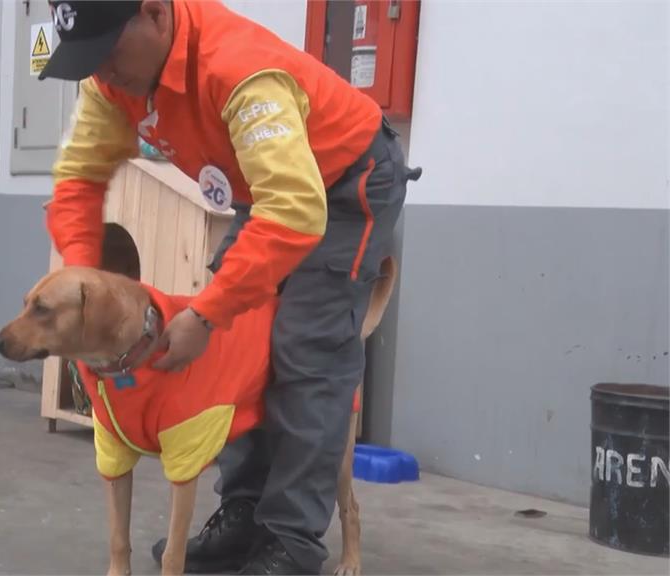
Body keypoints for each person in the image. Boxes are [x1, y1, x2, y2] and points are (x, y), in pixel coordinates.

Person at [38, 1, 421, 574]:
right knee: (237, 350)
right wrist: (77, 279)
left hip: (348, 181)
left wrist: (209, 312)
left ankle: (289, 541)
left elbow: (294, 211)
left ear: (153, 14)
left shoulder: (236, 69)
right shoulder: (110, 84)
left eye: (110, 50)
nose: (102, 73)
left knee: (304, 349)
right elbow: (77, 184)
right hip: (265, 192)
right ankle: (244, 513)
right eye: (88, 58)